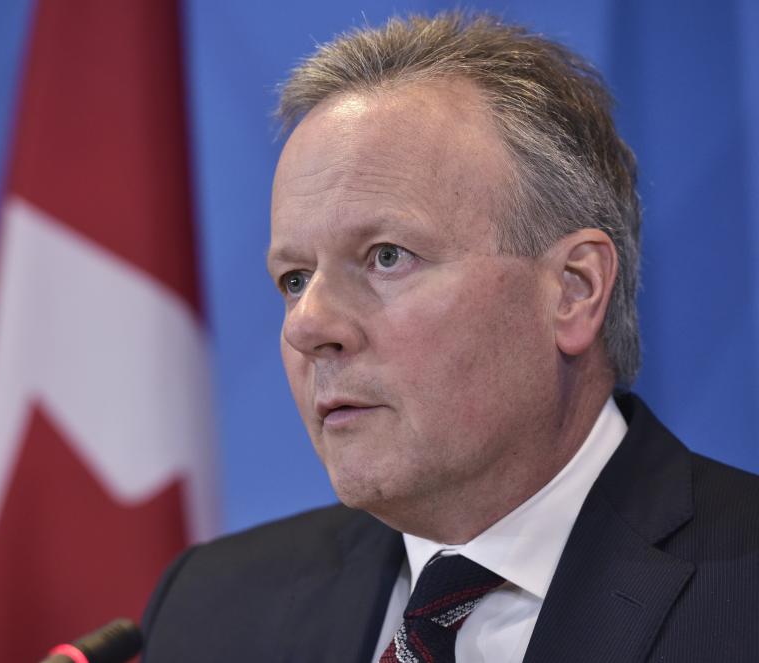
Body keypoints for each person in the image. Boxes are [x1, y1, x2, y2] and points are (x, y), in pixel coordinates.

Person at [141, 12, 759, 663]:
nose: (307, 325)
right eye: (295, 278)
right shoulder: (212, 611)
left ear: (573, 291)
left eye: (386, 256)